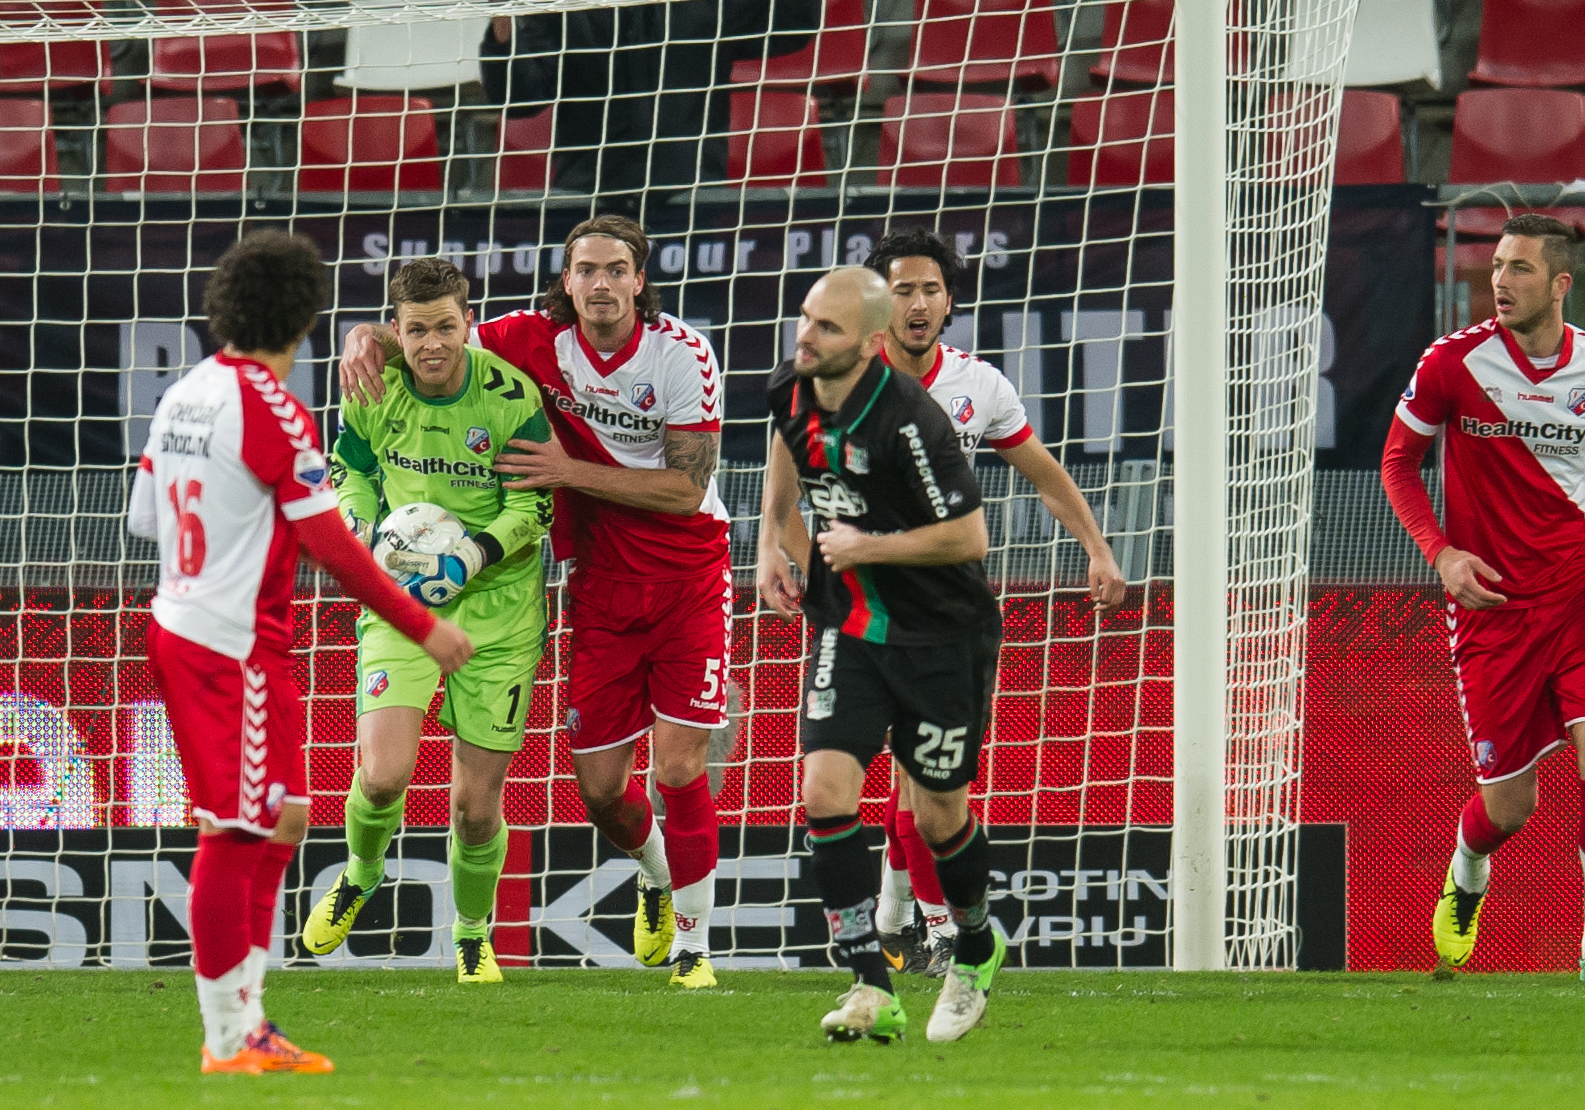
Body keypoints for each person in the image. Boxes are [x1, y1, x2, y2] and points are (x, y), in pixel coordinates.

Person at [338, 216, 730, 990]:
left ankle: (694, 949)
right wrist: (363, 338)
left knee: (679, 769)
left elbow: (687, 489)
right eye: (586, 270)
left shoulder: (681, 355)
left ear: (639, 280)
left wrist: (566, 472)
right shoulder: (530, 340)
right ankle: (656, 876)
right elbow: (435, 336)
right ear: (567, 280)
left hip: (689, 575)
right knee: (602, 792)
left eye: (616, 270)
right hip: (599, 580)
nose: (601, 284)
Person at [127, 231, 473, 1074]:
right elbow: (335, 548)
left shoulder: (186, 393)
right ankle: (228, 1036)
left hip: (191, 625)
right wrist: (425, 626)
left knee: (284, 815)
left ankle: (248, 1019)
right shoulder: (273, 409)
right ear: (306, 318)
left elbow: (143, 518)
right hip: (229, 645)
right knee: (235, 829)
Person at [1381, 214, 1585, 982]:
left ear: (1560, 283)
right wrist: (1440, 554)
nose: (1500, 281)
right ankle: (1466, 871)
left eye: (1519, 269)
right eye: (1497, 266)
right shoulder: (1452, 363)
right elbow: (1397, 463)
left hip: (1576, 603)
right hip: (1490, 614)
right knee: (1510, 808)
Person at [854, 227, 1126, 975]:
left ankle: (906, 919)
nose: (917, 304)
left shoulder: (979, 387)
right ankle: (927, 924)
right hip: (862, 601)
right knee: (899, 775)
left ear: (949, 302)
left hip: (947, 606)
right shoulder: (840, 377)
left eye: (930, 290)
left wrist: (1097, 548)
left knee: (926, 773)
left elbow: (1044, 474)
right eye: (903, 290)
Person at [759, 266, 1004, 1044]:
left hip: (942, 636)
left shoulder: (910, 421)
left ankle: (974, 946)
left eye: (826, 328)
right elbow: (785, 446)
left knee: (936, 816)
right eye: (805, 318)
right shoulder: (790, 385)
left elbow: (968, 537)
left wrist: (870, 546)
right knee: (823, 790)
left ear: (868, 344)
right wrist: (770, 537)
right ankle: (871, 983)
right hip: (852, 626)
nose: (806, 336)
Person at [302, 259, 554, 984]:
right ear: (397, 330)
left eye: (446, 327)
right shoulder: (371, 387)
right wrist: (361, 525)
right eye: (416, 330)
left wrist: (470, 556)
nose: (432, 344)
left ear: (468, 323)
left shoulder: (510, 396)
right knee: (383, 777)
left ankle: (472, 934)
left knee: (474, 807)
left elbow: (535, 504)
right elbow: (349, 469)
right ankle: (360, 872)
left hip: (499, 612)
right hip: (402, 602)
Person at [479, 0, 817, 199]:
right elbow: (519, 99)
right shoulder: (565, 6)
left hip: (691, 194)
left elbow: (791, 26)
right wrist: (502, 20)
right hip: (591, 194)